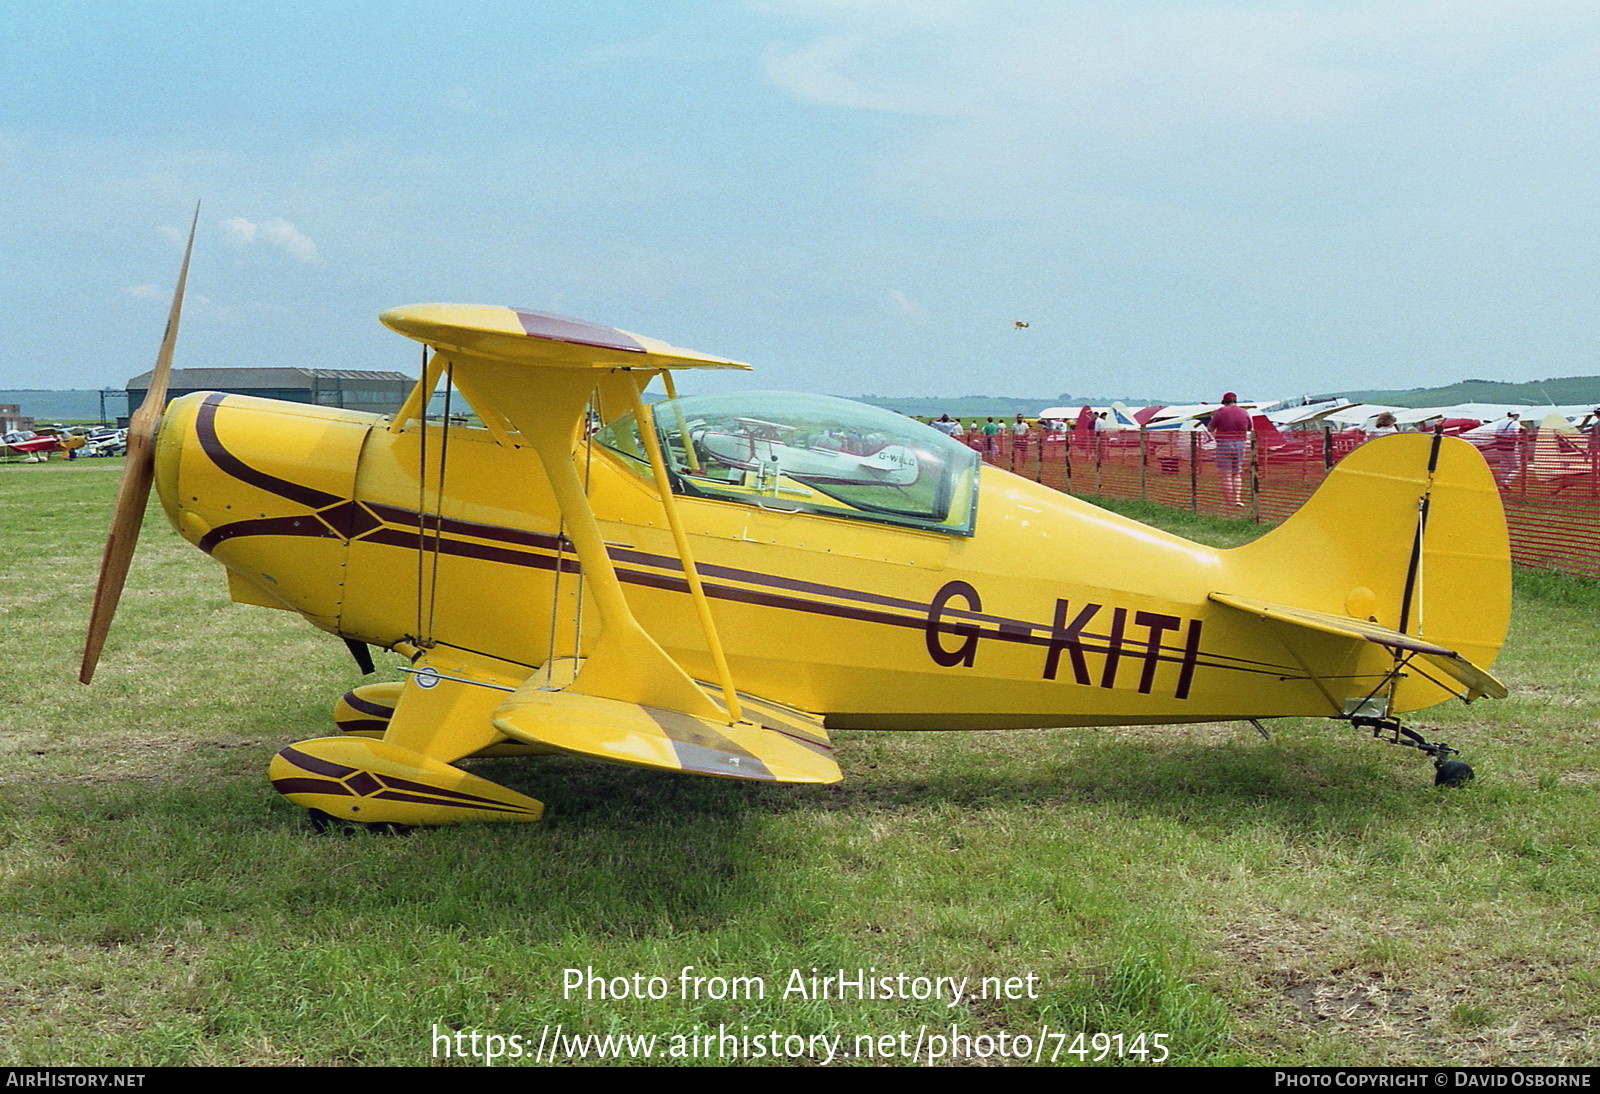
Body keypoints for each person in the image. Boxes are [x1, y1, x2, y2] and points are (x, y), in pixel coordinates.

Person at [1207, 392, 1251, 508]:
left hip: (1224, 444)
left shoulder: (1221, 412)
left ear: (1224, 402)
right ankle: (1237, 499)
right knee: (1237, 473)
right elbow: (1250, 428)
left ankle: (1228, 502)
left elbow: (1210, 428)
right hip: (1240, 444)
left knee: (1226, 475)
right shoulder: (1244, 412)